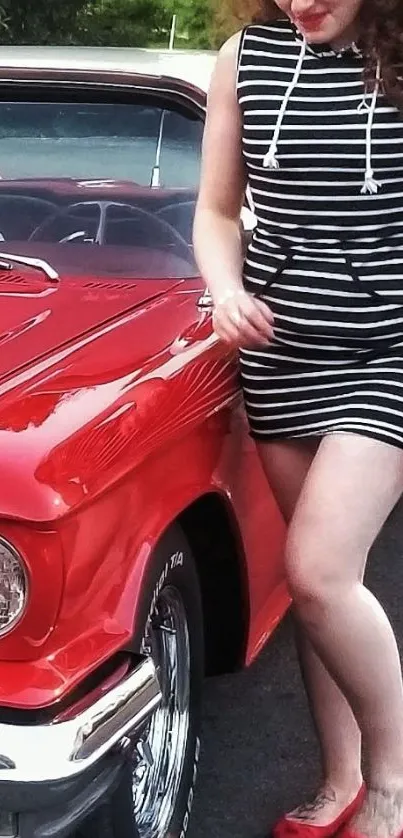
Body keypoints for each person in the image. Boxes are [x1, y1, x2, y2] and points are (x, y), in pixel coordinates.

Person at [193, 2, 403, 838]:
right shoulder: (245, 57)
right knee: (313, 582)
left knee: (318, 570)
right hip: (281, 356)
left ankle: (389, 782)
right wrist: (224, 291)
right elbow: (215, 212)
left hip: (385, 351)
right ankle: (339, 775)